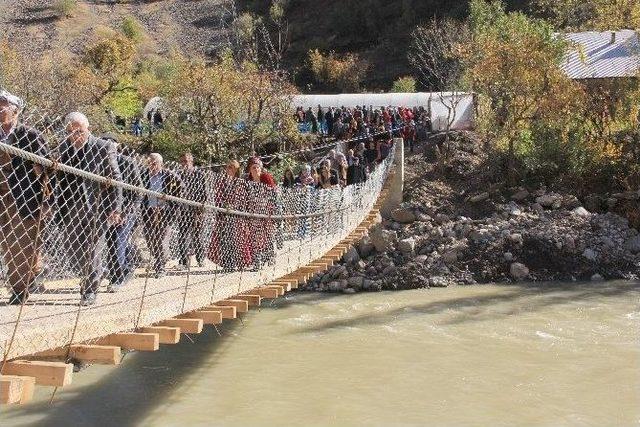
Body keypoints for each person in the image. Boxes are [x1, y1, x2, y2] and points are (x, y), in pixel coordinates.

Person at [56, 112, 123, 306]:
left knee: (93, 249)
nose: (76, 135)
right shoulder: (63, 147)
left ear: (88, 129)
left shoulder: (104, 147)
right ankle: (92, 274)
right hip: (70, 206)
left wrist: (116, 208)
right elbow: (57, 178)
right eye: (71, 131)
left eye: (80, 130)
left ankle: (90, 290)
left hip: (97, 206)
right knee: (72, 248)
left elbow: (116, 179)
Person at [0, 91, 52, 304]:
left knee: (20, 244)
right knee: (6, 244)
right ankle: (32, 272)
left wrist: (47, 201)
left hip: (23, 199)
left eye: (3, 106)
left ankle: (20, 290)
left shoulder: (29, 135)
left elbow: (48, 169)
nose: (0, 110)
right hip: (2, 197)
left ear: (15, 110)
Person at [103, 138, 143, 293]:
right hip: (105, 211)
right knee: (111, 243)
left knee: (118, 243)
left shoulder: (127, 162)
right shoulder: (99, 161)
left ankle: (116, 278)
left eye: (109, 143)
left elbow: (138, 191)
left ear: (116, 146)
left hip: (126, 211)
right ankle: (125, 269)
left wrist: (127, 212)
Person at [141, 153, 183, 278]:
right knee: (150, 239)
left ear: (161, 164)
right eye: (150, 163)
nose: (152, 165)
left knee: (161, 239)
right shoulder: (144, 176)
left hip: (165, 212)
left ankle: (160, 266)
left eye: (154, 163)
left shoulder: (170, 176)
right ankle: (159, 259)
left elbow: (181, 190)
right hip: (148, 211)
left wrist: (172, 204)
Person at [208, 159, 251, 271]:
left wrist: (234, 206)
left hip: (236, 215)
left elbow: (242, 198)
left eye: (231, 167)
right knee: (224, 239)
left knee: (235, 240)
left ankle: (238, 262)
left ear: (236, 169)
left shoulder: (240, 182)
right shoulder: (222, 182)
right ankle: (227, 264)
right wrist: (223, 205)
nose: (228, 169)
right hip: (223, 215)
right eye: (227, 167)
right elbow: (217, 196)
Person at [245, 157, 276, 269]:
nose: (256, 169)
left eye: (258, 167)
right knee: (256, 237)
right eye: (253, 167)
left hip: (267, 211)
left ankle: (270, 255)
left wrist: (272, 211)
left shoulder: (266, 178)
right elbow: (245, 198)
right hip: (254, 212)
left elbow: (273, 194)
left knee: (268, 235)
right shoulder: (248, 181)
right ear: (250, 169)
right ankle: (257, 261)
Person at [176, 152, 206, 269]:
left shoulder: (199, 175)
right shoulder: (178, 175)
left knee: (197, 236)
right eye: (182, 161)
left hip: (196, 210)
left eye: (186, 161)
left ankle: (200, 259)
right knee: (182, 235)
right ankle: (183, 261)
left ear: (191, 161)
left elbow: (204, 194)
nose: (184, 164)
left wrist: (200, 211)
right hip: (183, 209)